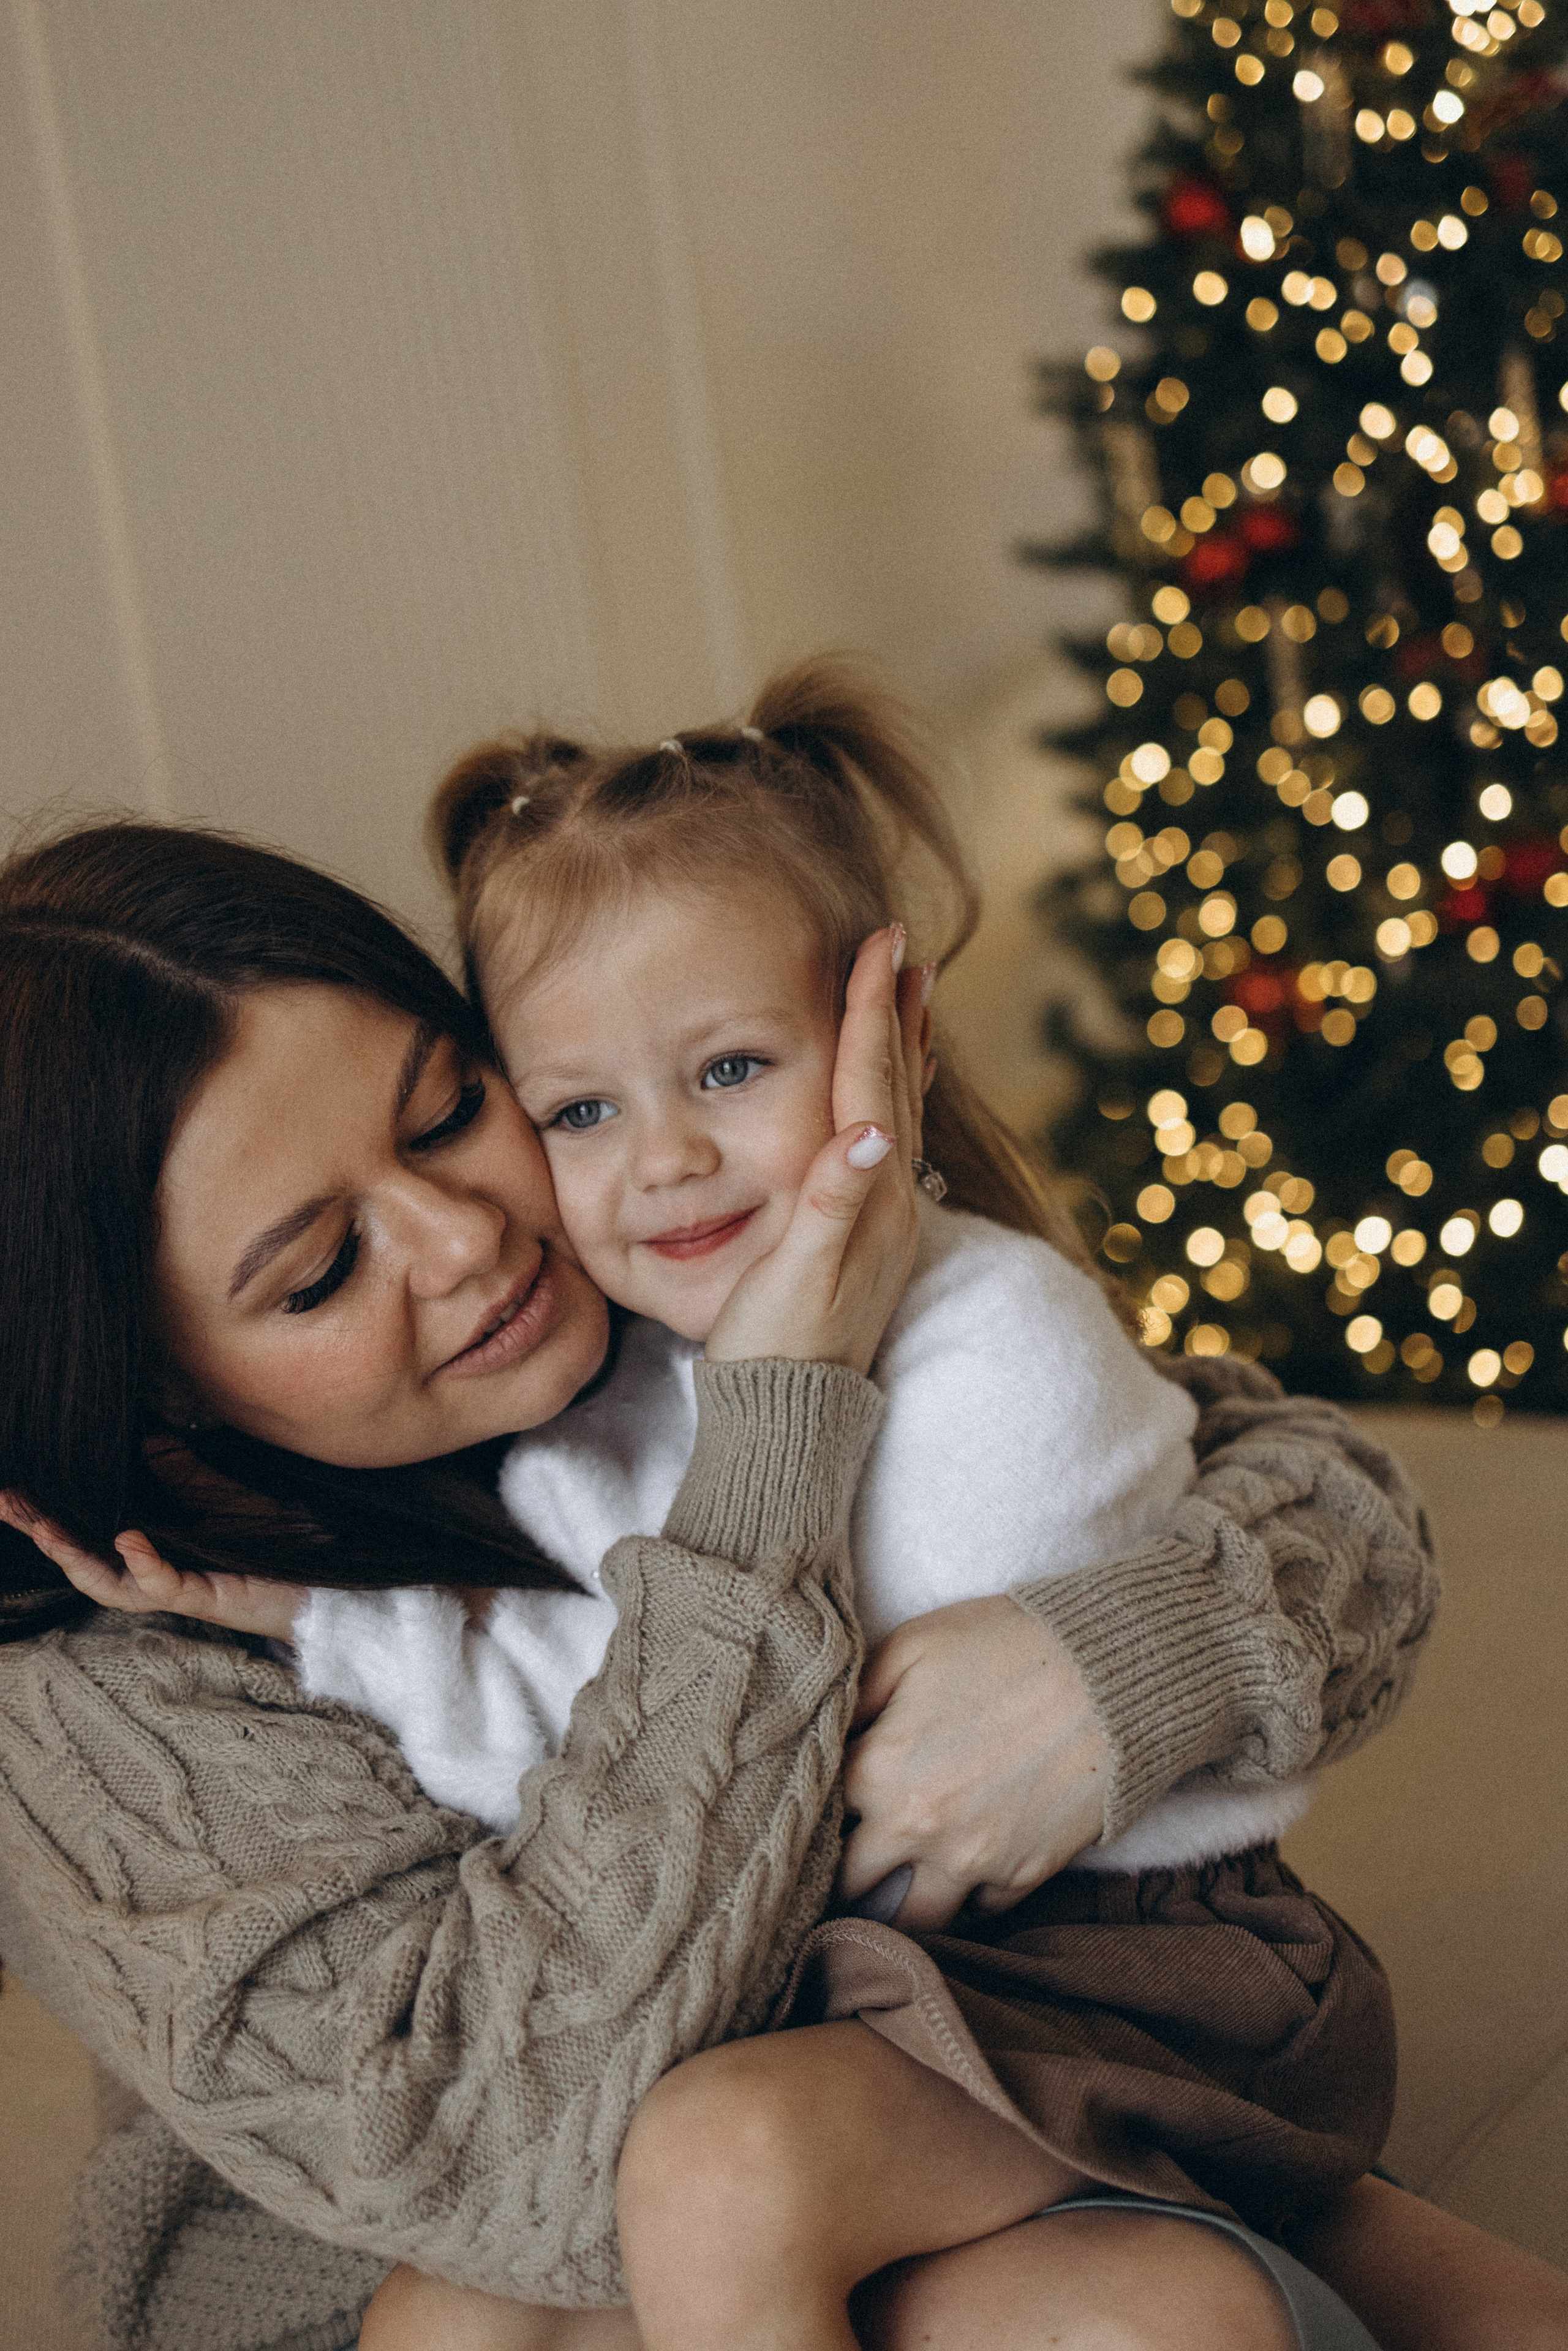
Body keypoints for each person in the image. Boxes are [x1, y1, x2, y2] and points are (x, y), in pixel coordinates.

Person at [0, 817, 1551, 2351]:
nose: (464, 1237)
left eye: (450, 1108)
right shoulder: (103, 1685)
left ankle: (1231, 2183)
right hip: (441, 2243)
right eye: (321, 1271)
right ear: (151, 1384)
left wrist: (1122, 1656)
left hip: (901, 2047)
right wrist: (778, 1419)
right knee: (1142, 2313)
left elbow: (1299, 1483)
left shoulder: (648, 1248)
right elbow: (533, 2166)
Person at [256, 658, 1383, 2351]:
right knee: (489, 2292)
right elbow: (596, 1742)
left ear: (891, 1038)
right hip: (858, 1985)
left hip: (1134, 1964)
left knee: (717, 2164)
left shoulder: (1002, 1337)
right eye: (580, 1108)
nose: (664, 1159)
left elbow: (817, 1757)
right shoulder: (599, 1398)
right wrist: (316, 1617)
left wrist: (447, 1649)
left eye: (728, 1068)